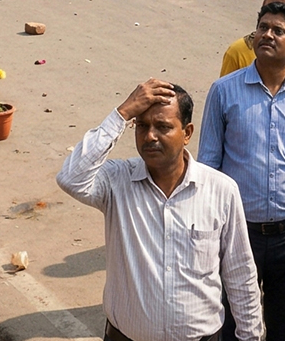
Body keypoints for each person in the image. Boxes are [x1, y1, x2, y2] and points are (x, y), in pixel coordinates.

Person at [57, 79, 264, 341]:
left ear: (187, 133)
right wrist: (122, 113)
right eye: (142, 126)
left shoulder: (220, 190)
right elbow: (70, 178)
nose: (150, 136)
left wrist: (251, 336)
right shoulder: (117, 181)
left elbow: (240, 274)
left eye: (163, 127)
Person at [199, 0, 285, 341]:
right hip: (237, 233)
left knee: (284, 328)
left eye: (279, 31)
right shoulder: (224, 92)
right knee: (231, 327)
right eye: (263, 27)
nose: (267, 35)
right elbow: (207, 167)